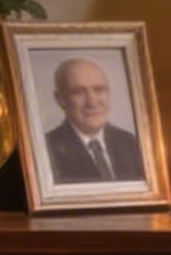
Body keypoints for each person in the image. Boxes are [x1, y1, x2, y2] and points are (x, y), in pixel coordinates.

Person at [40, 56, 145, 185]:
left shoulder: (132, 144)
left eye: (99, 90)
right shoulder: (45, 151)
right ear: (60, 99)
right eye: (79, 92)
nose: (92, 102)